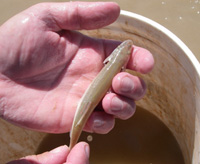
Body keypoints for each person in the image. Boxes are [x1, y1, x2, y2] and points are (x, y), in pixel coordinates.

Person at [0, 1, 154, 164]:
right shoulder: (119, 66)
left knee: (106, 105)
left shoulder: (113, 62)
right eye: (127, 49)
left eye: (128, 50)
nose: (128, 48)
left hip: (88, 101)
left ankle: (72, 145)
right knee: (99, 111)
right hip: (86, 102)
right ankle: (72, 145)